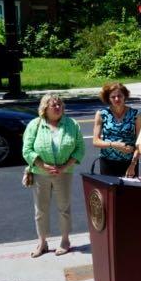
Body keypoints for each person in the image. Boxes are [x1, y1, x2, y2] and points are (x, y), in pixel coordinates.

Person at [22, 94, 84, 258]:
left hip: (64, 173)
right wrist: (43, 165)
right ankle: (42, 242)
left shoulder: (72, 124)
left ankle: (65, 240)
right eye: (53, 105)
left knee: (64, 208)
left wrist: (64, 167)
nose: (57, 108)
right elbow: (27, 150)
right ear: (45, 109)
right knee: (40, 210)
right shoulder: (35, 125)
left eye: (59, 105)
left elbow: (80, 149)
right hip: (41, 173)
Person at [92, 82, 141, 176]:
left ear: (125, 96)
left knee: (129, 190)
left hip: (129, 162)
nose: (117, 99)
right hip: (107, 162)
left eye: (119, 96)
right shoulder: (101, 114)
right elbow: (95, 141)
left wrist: (133, 164)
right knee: (109, 191)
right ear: (108, 98)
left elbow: (140, 142)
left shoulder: (136, 114)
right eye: (113, 97)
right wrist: (114, 144)